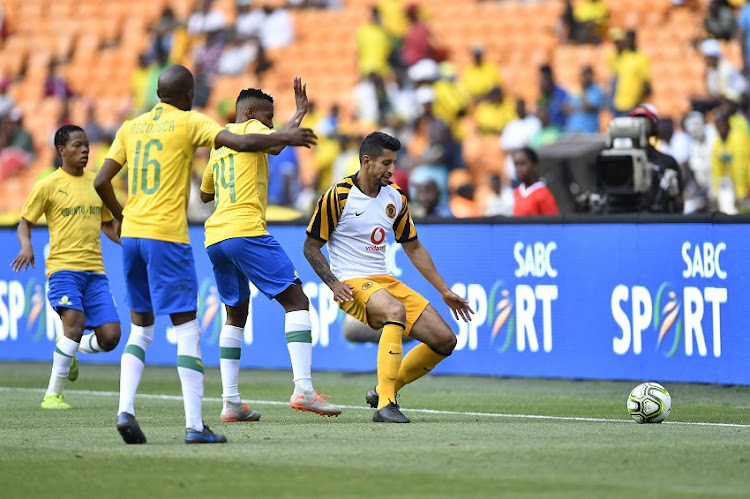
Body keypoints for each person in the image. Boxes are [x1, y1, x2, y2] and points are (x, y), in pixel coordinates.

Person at [94, 65, 317, 445]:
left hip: (137, 235)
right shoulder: (191, 122)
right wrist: (292, 129)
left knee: (142, 328)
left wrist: (121, 215)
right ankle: (196, 426)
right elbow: (250, 142)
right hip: (169, 235)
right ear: (187, 95)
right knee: (188, 329)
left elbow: (101, 181)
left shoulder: (130, 126)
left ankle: (127, 409)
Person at [303, 131, 474, 423]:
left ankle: (385, 388)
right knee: (394, 310)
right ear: (366, 162)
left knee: (445, 341)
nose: (392, 170)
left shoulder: (395, 196)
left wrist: (444, 290)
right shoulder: (338, 196)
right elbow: (310, 246)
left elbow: (414, 247)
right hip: (352, 282)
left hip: (384, 279)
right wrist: (333, 283)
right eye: (386, 163)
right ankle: (386, 405)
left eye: (394, 162)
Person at [199, 79, 341, 422]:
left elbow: (205, 194)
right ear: (248, 113)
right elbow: (276, 145)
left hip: (215, 238)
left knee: (235, 315)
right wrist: (294, 123)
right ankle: (304, 389)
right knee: (297, 300)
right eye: (267, 118)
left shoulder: (219, 147)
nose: (270, 125)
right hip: (246, 230)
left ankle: (231, 402)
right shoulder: (249, 130)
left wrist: (299, 115)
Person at [11, 125, 122, 410]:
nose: (85, 150)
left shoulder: (98, 183)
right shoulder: (48, 185)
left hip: (95, 272)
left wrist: (130, 245)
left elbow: (108, 224)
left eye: (86, 145)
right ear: (61, 151)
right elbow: (25, 223)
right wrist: (26, 245)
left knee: (111, 337)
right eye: (77, 145)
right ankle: (53, 395)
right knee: (74, 325)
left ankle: (72, 350)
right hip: (63, 270)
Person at [511, 146, 559, 216]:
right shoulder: (516, 192)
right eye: (516, 165)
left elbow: (552, 223)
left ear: (534, 165)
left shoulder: (543, 194)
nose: (518, 169)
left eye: (522, 164)